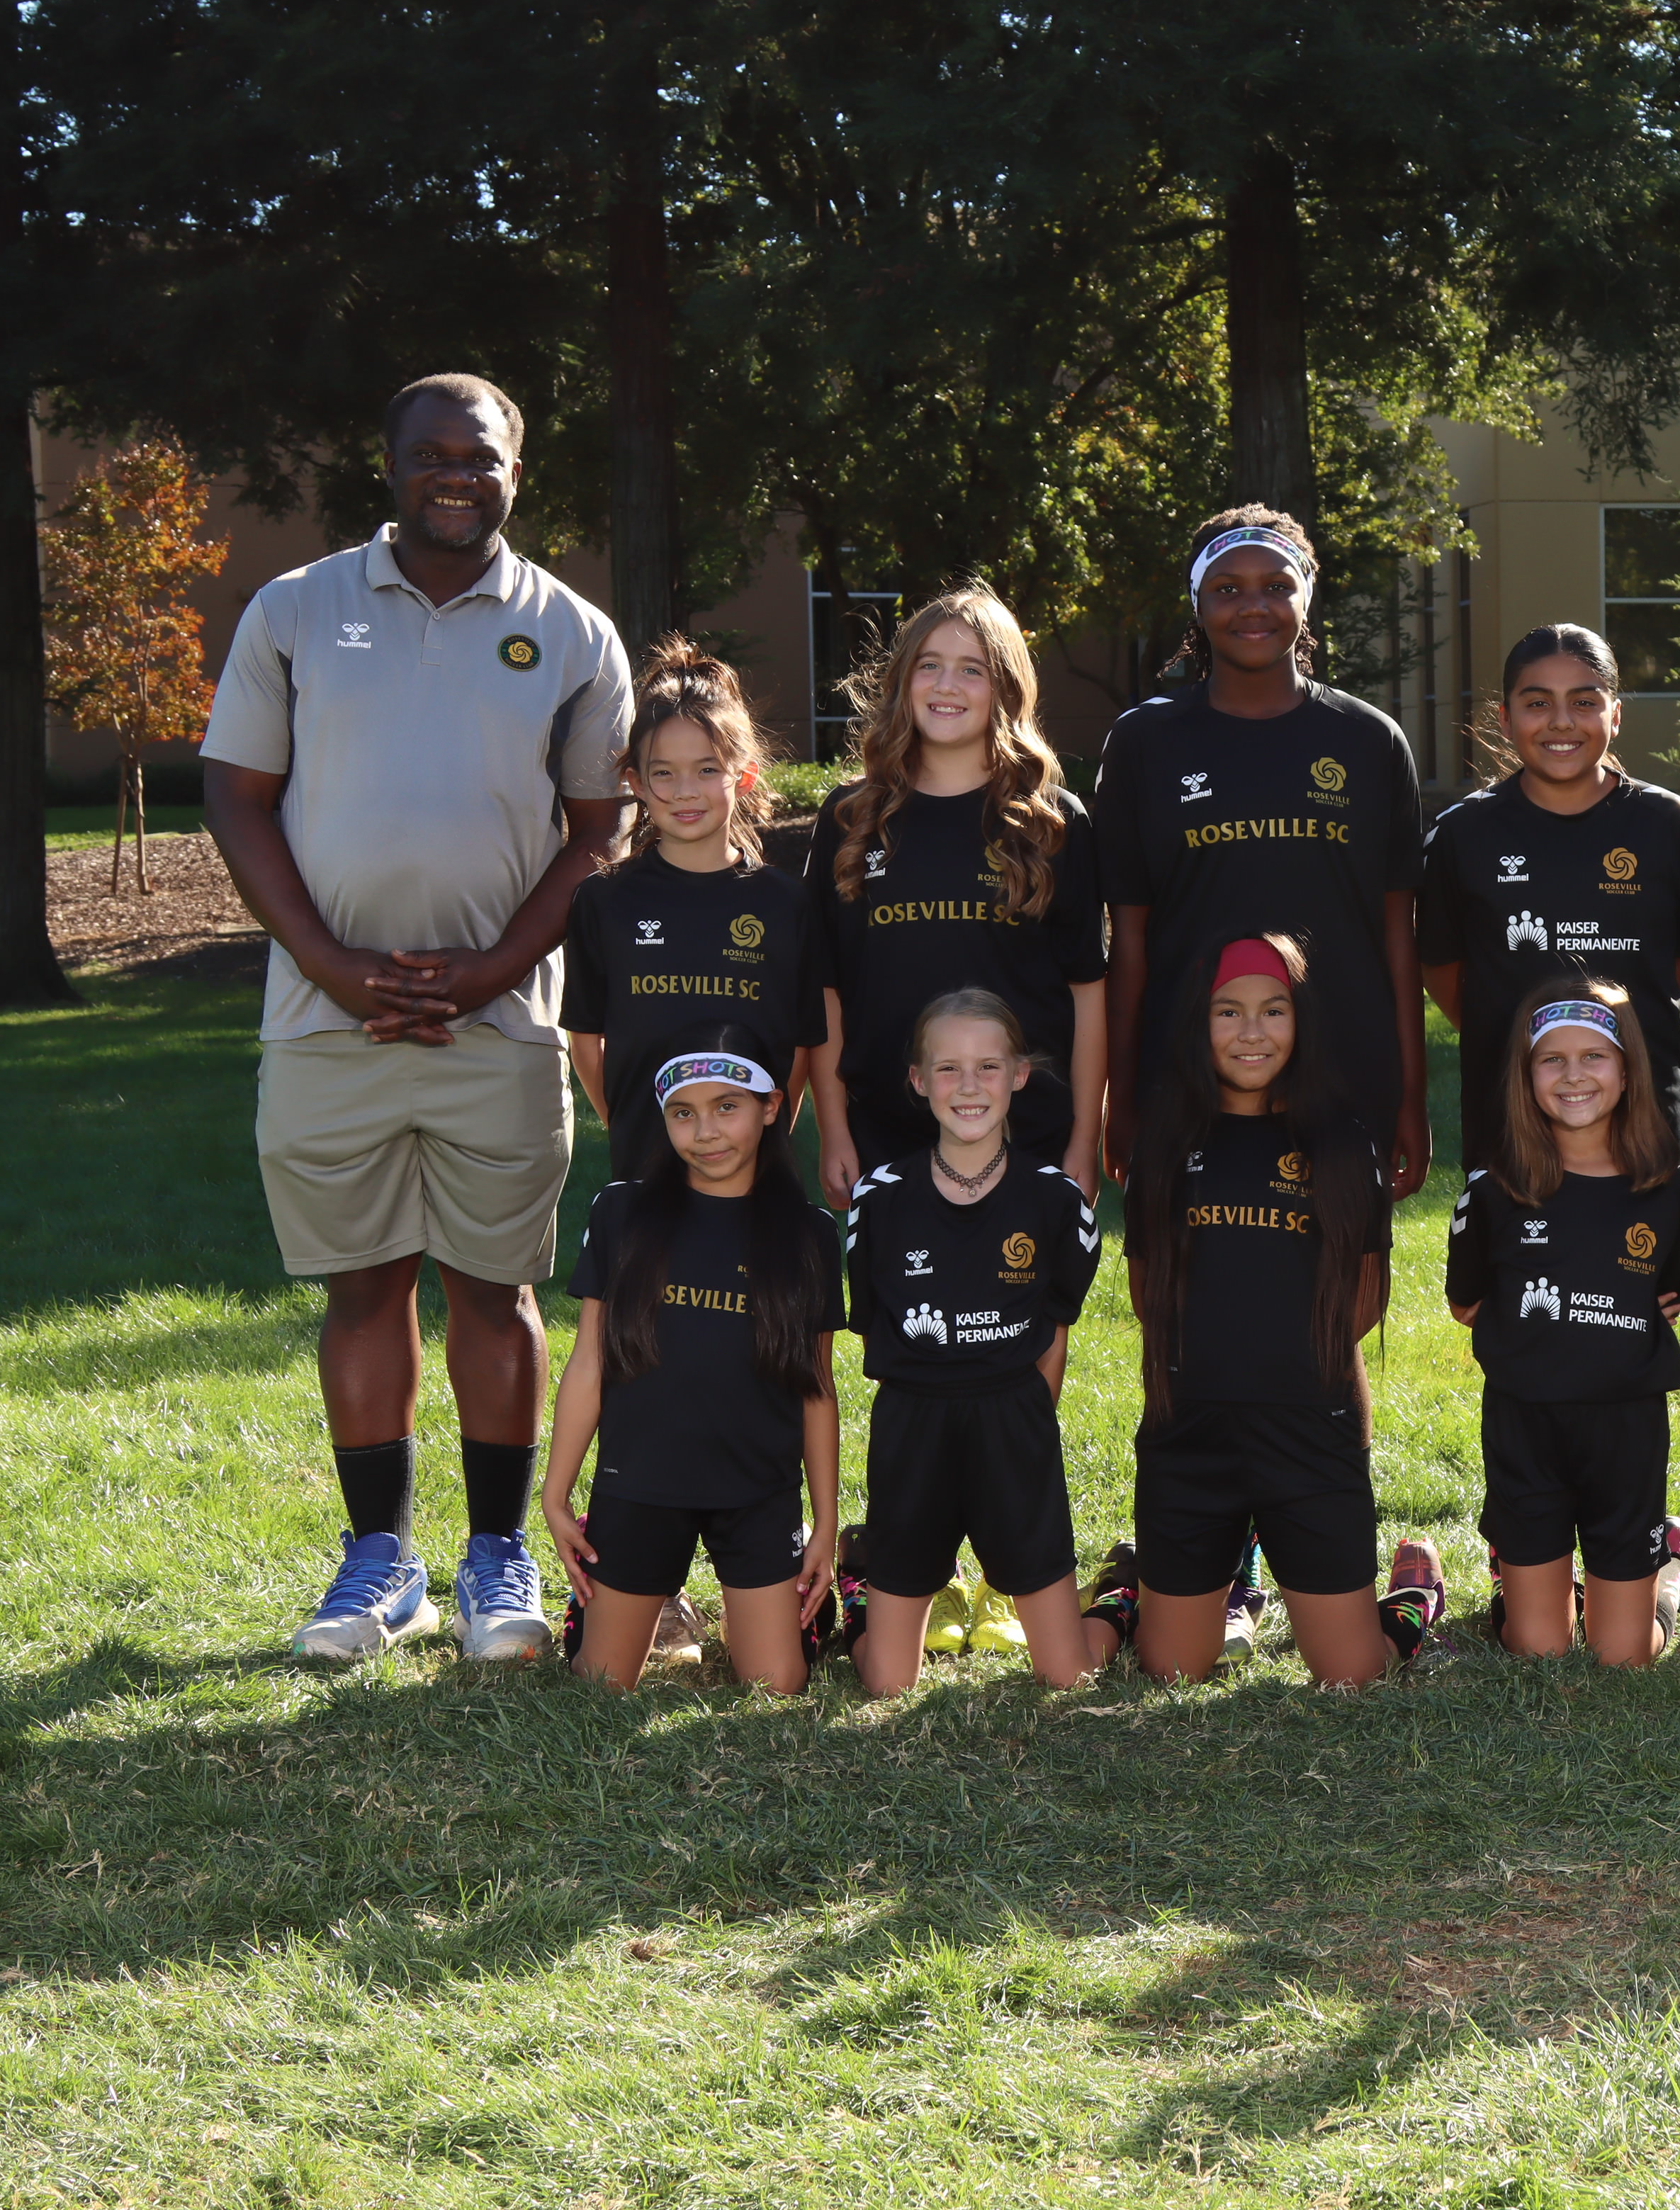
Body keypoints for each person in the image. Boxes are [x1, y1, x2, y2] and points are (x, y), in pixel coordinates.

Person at [201, 372, 631, 1666]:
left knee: (497, 1287)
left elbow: (597, 830)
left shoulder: (573, 633)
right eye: (432, 455)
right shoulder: (295, 610)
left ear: (516, 473)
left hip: (501, 1025)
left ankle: (495, 1556)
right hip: (329, 1018)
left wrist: (495, 968)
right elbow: (236, 796)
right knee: (363, 1282)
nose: (458, 476)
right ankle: (378, 1564)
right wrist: (327, 961)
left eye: (481, 457)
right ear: (388, 468)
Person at [1105, 934, 1447, 1686]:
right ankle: (1140, 1583)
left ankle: (1413, 1596)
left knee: (1352, 1677)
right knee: (1171, 1671)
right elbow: (1148, 1294)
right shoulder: (1164, 1138)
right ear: (1198, 1023)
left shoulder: (1344, 1143)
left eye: (1274, 1010)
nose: (1251, 1031)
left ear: (1304, 1020)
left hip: (1309, 1432)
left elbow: (1364, 1298)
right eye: (1228, 1011)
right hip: (1191, 1432)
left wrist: (1280, 1363)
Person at [1096, 508, 1431, 1202]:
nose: (1254, 605)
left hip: (1346, 1071)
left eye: (1277, 586)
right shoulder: (1144, 743)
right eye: (1228, 588)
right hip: (1185, 1074)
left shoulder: (1370, 741)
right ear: (1197, 602)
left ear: (1307, 596)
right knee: (1184, 1270)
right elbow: (1127, 940)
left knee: (1345, 1267)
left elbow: (1398, 937)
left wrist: (1410, 1092)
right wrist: (1120, 1094)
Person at [539, 1037, 845, 1694]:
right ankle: (608, 1601)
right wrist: (555, 1494)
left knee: (777, 1683)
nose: (706, 1132)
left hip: (757, 1489)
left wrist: (825, 1522)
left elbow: (816, 1388)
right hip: (639, 1484)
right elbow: (589, 1362)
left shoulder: (810, 1233)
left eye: (727, 1107)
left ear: (771, 1107)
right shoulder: (622, 1212)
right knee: (601, 1685)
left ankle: (778, 1600)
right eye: (684, 1113)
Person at [837, 991, 1114, 1693]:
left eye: (988, 1067)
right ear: (918, 1080)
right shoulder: (879, 1198)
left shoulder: (1056, 1200)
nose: (968, 1086)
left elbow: (1055, 1326)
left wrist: (1024, 1419)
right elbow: (875, 1323)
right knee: (888, 1686)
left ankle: (1118, 1599)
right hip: (912, 1425)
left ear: (1019, 1075)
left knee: (1067, 1677)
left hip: (1013, 1425)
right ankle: (859, 1589)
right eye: (948, 1068)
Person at [806, 587, 1107, 1204]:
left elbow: (1087, 992)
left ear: (1006, 689)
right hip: (886, 1134)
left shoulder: (1052, 823)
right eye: (930, 665)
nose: (947, 685)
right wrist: (833, 1128)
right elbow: (825, 990)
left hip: (1029, 1134)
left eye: (972, 670)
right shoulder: (851, 817)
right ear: (903, 679)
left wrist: (1085, 1136)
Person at [1444, 979, 1680, 1665]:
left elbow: (1666, 1294)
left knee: (1624, 1655)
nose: (1574, 1074)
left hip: (1627, 1431)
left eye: (1594, 1056)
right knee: (1539, 1649)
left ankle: (1665, 1575)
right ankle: (1522, 1575)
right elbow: (1467, 1303)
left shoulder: (1663, 1187)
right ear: (1525, 1076)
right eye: (1552, 1059)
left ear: (1627, 1070)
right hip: (1526, 1427)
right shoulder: (1492, 1188)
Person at [1418, 626, 1680, 1170]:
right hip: (1507, 1119)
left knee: (1643, 1227)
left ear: (1615, 716)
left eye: (1584, 702)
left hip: (1644, 1117)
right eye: (1538, 703)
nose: (1561, 721)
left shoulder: (1669, 825)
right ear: (1505, 718)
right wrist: (1522, 1038)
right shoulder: (1462, 833)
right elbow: (1442, 971)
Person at [561, 636, 828, 1178]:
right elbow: (585, 1039)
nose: (685, 791)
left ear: (744, 776)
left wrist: (769, 1132)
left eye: (707, 769)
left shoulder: (786, 903)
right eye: (664, 772)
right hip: (644, 1169)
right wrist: (625, 1122)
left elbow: (801, 1044)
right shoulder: (604, 900)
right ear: (636, 782)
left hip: (754, 1176)